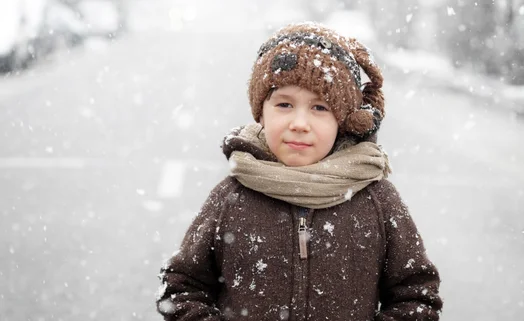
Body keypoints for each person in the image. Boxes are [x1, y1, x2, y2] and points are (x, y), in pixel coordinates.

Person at [156, 22, 443, 321]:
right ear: (261, 113)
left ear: (344, 121)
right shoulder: (231, 198)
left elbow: (416, 296)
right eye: (284, 104)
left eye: (319, 108)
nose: (299, 123)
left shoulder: (378, 200)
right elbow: (182, 287)